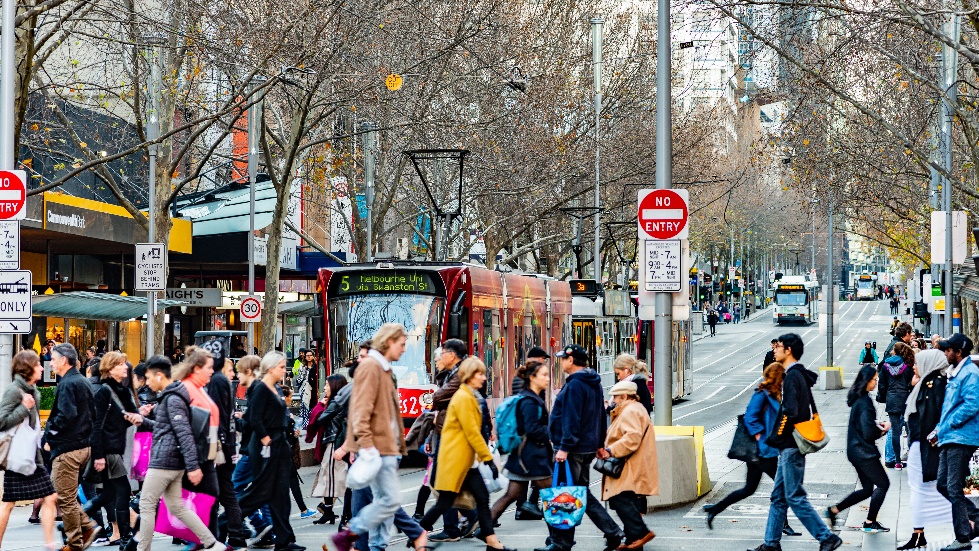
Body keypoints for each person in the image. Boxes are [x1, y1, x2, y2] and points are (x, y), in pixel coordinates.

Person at [750, 333, 841, 551]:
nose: (775, 349)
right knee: (778, 497)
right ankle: (771, 544)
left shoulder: (792, 377)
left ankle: (826, 537)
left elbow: (790, 412)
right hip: (789, 445)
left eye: (778, 346)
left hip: (790, 445)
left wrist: (776, 436)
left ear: (788, 350)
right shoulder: (797, 375)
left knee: (794, 496)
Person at [535, 344, 625, 551]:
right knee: (579, 492)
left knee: (566, 494)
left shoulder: (575, 385)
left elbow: (571, 418)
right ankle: (612, 532)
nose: (560, 362)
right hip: (586, 446)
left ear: (571, 360)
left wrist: (564, 447)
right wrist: (600, 443)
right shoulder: (593, 381)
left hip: (573, 448)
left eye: (562, 359)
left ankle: (561, 542)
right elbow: (599, 415)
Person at [418, 357, 513, 551]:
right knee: (445, 503)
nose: (484, 378)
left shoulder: (469, 396)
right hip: (456, 462)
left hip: (465, 462)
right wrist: (488, 459)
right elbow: (472, 433)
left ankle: (492, 542)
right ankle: (417, 532)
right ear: (469, 376)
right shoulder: (463, 398)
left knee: (481, 499)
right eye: (480, 374)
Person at [331, 323, 411, 551]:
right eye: (402, 344)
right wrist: (366, 448)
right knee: (389, 501)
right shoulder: (371, 368)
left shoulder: (383, 369)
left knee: (384, 503)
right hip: (377, 448)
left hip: (385, 447)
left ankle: (374, 545)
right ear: (389, 342)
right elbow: (360, 413)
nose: (404, 349)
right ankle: (351, 532)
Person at [131, 356, 224, 551]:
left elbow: (184, 433)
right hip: (172, 461)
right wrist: (144, 421)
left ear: (158, 376)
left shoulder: (172, 398)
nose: (146, 383)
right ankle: (212, 543)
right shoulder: (172, 396)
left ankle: (143, 549)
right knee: (177, 507)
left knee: (146, 505)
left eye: (148, 378)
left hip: (164, 462)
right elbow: (167, 428)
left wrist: (193, 467)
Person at [704, 363, 799, 537]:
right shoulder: (762, 394)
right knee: (783, 488)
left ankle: (715, 509)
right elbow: (750, 417)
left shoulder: (773, 395)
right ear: (777, 377)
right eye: (782, 377)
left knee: (749, 489)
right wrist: (759, 436)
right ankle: (783, 525)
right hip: (763, 451)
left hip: (764, 451)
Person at [237, 352, 302, 551]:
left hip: (278, 443)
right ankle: (225, 524)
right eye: (282, 367)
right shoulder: (261, 388)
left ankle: (284, 540)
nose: (285, 371)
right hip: (267, 446)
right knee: (261, 493)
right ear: (271, 368)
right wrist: (267, 440)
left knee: (280, 495)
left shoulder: (274, 388)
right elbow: (254, 418)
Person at [45, 343, 102, 551]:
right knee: (65, 495)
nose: (50, 363)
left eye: (53, 358)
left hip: (68, 448)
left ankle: (75, 541)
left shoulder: (68, 383)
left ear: (63, 360)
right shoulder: (82, 381)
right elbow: (91, 415)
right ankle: (86, 528)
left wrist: (50, 436)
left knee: (64, 497)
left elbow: (66, 415)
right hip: (81, 446)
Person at [0, 350, 57, 550]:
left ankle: (50, 543)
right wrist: (23, 407)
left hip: (32, 456)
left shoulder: (34, 391)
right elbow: (1, 421)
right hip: (18, 456)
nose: (43, 368)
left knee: (50, 496)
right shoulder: (15, 391)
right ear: (28, 368)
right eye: (38, 365)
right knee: (8, 502)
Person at [898, 349, 952, 550]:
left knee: (925, 489)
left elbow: (935, 416)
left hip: (925, 446)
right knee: (919, 489)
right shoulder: (925, 384)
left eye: (917, 363)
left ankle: (968, 522)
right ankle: (918, 533)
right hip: (919, 444)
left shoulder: (935, 384)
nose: (913, 366)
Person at [827, 365, 891, 532]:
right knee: (883, 484)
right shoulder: (865, 402)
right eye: (874, 380)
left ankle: (835, 510)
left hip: (855, 450)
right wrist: (883, 429)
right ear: (866, 381)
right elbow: (868, 431)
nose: (876, 383)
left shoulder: (858, 398)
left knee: (867, 489)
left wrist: (876, 425)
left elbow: (864, 425)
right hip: (864, 452)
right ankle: (870, 522)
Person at [86, 351, 140, 548]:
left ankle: (80, 517)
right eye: (121, 364)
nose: (126, 367)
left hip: (116, 447)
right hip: (108, 449)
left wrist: (140, 414)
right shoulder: (104, 392)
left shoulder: (123, 391)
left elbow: (126, 419)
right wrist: (98, 455)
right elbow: (96, 425)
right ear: (110, 369)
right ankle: (125, 537)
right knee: (123, 490)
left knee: (109, 493)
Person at [596, 381, 657, 549]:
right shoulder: (632, 409)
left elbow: (632, 437)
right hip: (632, 464)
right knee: (626, 500)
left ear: (625, 396)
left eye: (616, 396)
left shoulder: (630, 411)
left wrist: (610, 450)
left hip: (630, 465)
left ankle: (641, 532)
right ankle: (632, 540)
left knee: (619, 497)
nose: (613, 400)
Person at [427, 338, 477, 542]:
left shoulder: (460, 374)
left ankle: (455, 526)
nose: (440, 357)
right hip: (445, 430)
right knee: (447, 481)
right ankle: (469, 518)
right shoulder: (451, 373)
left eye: (443, 353)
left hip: (452, 432)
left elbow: (438, 397)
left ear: (452, 355)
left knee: (441, 480)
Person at [491, 360, 553, 522]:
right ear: (532, 377)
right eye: (544, 375)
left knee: (512, 495)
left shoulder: (530, 398)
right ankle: (560, 538)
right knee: (555, 496)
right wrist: (552, 431)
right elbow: (532, 429)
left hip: (524, 455)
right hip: (532, 457)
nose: (547, 379)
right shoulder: (529, 402)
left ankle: (485, 527)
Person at [934, 334, 979, 551]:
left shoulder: (970, 373)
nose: (945, 353)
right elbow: (949, 407)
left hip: (962, 437)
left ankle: (963, 538)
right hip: (950, 436)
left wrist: (949, 424)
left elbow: (972, 405)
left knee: (953, 487)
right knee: (943, 484)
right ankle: (976, 519)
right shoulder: (956, 373)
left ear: (958, 352)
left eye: (947, 350)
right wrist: (938, 430)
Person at [230, 355, 275, 548]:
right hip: (256, 449)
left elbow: (253, 422)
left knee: (236, 487)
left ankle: (261, 524)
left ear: (248, 372)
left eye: (238, 371)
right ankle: (267, 528)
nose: (236, 376)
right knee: (260, 489)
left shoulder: (256, 389)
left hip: (252, 450)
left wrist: (236, 421)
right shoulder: (260, 389)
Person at [206, 353, 247, 548]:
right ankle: (231, 535)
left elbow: (217, 416)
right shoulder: (222, 383)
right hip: (227, 444)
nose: (234, 375)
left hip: (221, 445)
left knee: (221, 494)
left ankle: (220, 536)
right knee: (225, 493)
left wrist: (217, 445)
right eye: (231, 370)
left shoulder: (216, 382)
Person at [307, 374, 350, 525]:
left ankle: (343, 513)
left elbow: (317, 419)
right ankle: (329, 511)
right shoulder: (344, 401)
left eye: (327, 385)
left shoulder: (336, 403)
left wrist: (320, 405)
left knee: (333, 478)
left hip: (335, 444)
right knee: (333, 477)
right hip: (339, 443)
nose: (324, 388)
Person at [879, 342, 915, 469]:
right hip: (906, 399)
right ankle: (912, 457)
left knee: (895, 431)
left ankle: (897, 461)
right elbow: (912, 383)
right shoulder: (908, 365)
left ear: (894, 351)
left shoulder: (885, 365)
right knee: (910, 429)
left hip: (892, 399)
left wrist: (883, 397)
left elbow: (882, 384)